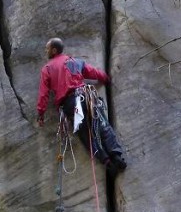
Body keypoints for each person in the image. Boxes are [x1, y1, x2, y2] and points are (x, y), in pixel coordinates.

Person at [36, 38, 127, 173]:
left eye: (47, 48)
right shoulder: (75, 62)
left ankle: (106, 161)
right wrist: (106, 78)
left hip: (70, 104)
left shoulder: (48, 69)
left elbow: (43, 93)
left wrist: (40, 113)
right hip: (87, 97)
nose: (46, 51)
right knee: (103, 125)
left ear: (54, 50)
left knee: (85, 134)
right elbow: (93, 72)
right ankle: (117, 155)